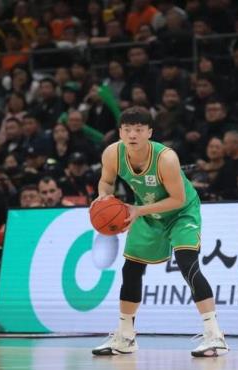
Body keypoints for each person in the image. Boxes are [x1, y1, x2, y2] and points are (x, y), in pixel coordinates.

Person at [92, 107, 228, 357]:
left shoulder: (166, 158)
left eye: (139, 130)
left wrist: (137, 210)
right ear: (120, 132)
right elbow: (107, 182)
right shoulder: (112, 153)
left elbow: (178, 199)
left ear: (149, 133)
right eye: (127, 130)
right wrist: (104, 198)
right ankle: (125, 336)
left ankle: (214, 335)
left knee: (188, 264)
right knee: (131, 270)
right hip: (145, 211)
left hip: (181, 212)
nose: (132, 135)